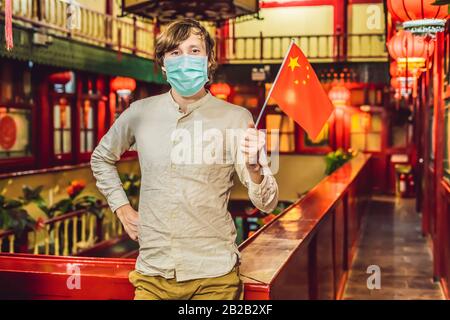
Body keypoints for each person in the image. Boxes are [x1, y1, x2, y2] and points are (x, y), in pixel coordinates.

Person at [90, 18, 279, 300]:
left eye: (194, 50)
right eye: (175, 52)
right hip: (152, 274)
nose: (185, 59)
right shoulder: (139, 113)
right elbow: (101, 158)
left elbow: (267, 203)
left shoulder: (236, 118)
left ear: (209, 61)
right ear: (164, 65)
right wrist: (122, 209)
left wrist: (255, 170)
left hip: (214, 276)